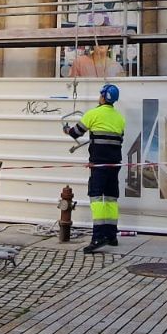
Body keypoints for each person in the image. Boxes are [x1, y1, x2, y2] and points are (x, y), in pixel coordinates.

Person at [64, 83, 125, 254]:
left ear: (104, 97)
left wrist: (67, 130)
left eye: (101, 94)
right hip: (115, 164)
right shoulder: (120, 118)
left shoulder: (93, 114)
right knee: (111, 198)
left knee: (96, 198)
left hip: (98, 165)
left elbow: (76, 133)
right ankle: (112, 235)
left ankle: (98, 237)